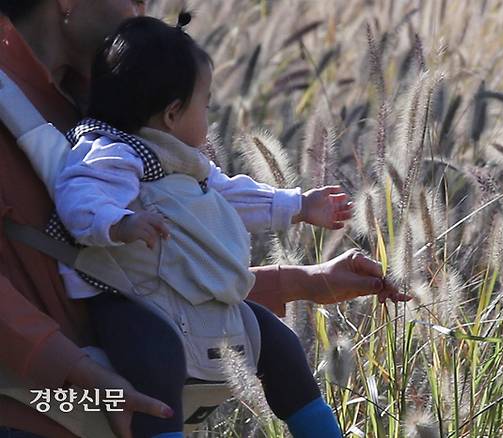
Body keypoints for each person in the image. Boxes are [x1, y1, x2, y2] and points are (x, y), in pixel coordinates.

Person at [0, 1, 407, 437]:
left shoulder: (130, 101)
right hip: (35, 412)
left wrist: (306, 281)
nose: (145, 9)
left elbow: (162, 275)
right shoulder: (102, 131)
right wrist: (82, 377)